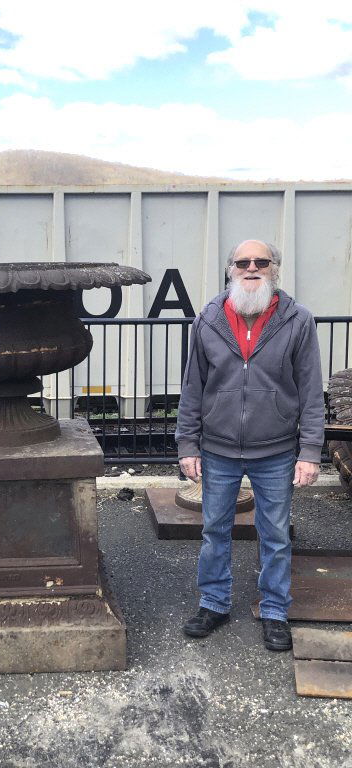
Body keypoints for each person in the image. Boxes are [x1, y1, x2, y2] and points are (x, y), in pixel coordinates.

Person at [175, 240, 324, 651]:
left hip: (275, 451)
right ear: (230, 270)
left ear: (275, 269)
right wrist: (188, 443)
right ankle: (214, 602)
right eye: (243, 262)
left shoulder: (298, 321)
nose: (252, 268)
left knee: (275, 535)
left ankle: (275, 610)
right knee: (214, 531)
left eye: (262, 262)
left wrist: (310, 451)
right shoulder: (207, 320)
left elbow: (312, 392)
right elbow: (193, 388)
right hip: (218, 449)